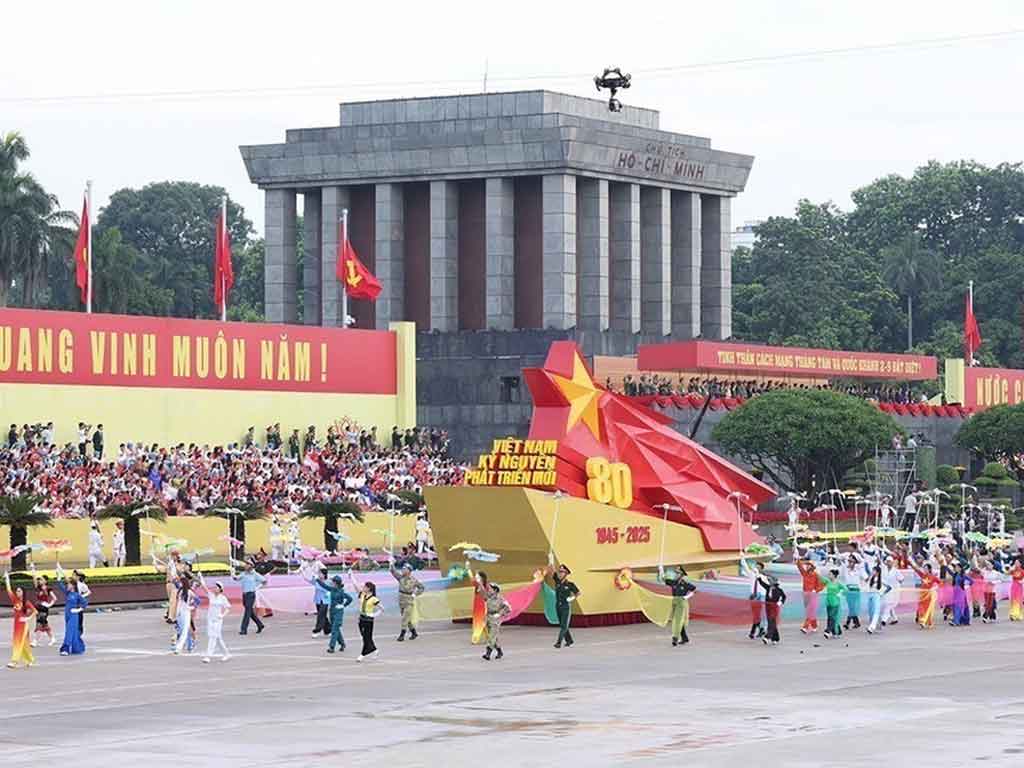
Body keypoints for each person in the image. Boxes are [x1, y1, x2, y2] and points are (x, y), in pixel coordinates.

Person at [4, 572, 37, 668]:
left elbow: (35, 611)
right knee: (24, 644)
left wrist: (28, 618)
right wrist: (7, 578)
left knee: (17, 642)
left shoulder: (26, 602)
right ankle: (30, 659)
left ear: (23, 592)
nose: (17, 592)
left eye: (19, 591)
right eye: (17, 591)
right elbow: (9, 589)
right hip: (16, 624)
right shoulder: (15, 600)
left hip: (23, 625)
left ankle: (14, 661)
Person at [197, 573, 231, 663]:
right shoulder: (211, 595)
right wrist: (200, 577)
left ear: (220, 589)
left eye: (217, 587)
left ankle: (208, 656)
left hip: (218, 620)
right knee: (217, 637)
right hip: (210, 618)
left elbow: (228, 608)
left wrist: (222, 615)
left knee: (213, 637)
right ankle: (226, 653)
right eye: (214, 586)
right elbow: (204, 587)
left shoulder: (223, 598)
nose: (215, 588)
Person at [315, 574, 354, 654]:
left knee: (334, 630)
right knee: (336, 629)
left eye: (332, 581)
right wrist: (317, 580)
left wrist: (343, 605)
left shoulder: (341, 592)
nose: (331, 582)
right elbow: (324, 586)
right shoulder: (332, 589)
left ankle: (331, 647)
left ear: (336, 583)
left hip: (338, 612)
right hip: (332, 612)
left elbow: (350, 599)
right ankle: (342, 644)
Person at [349, 571, 383, 661]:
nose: (363, 588)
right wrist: (351, 577)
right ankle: (374, 649)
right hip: (361, 618)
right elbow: (356, 586)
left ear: (369, 589)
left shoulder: (374, 599)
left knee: (367, 637)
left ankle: (362, 654)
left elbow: (382, 609)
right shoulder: (362, 595)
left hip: (369, 620)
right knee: (365, 637)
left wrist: (373, 614)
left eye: (365, 587)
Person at [660, 565, 697, 646]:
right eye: (676, 573)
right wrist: (661, 570)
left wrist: (687, 597)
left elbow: (695, 590)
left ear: (682, 575)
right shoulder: (674, 582)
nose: (676, 575)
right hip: (674, 602)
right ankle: (685, 638)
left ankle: (675, 638)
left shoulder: (685, 584)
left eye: (678, 574)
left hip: (681, 602)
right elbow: (663, 579)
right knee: (677, 620)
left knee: (677, 621)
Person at [54, 566, 87, 656]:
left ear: (72, 585)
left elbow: (84, 603)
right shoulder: (68, 593)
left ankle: (65, 648)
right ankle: (77, 647)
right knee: (73, 631)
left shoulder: (77, 595)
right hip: (67, 614)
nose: (67, 586)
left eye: (68, 585)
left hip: (74, 615)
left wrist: (78, 610)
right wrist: (58, 576)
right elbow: (61, 586)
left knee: (69, 631)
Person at [547, 563, 579, 648]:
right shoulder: (557, 581)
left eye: (562, 572)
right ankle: (570, 640)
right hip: (558, 606)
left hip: (565, 607)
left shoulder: (570, 584)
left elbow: (578, 593)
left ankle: (558, 642)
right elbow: (552, 571)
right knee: (562, 625)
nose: (560, 573)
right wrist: (551, 560)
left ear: (566, 574)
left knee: (564, 626)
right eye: (559, 572)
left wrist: (571, 598)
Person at [390, 562, 425, 641]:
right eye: (402, 569)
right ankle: (414, 632)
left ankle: (402, 634)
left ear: (409, 570)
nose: (402, 570)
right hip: (401, 599)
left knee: (404, 618)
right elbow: (393, 572)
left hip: (409, 600)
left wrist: (415, 594)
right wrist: (391, 564)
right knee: (406, 618)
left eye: (404, 569)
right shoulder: (401, 577)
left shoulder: (414, 580)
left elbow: (422, 587)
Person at [233, 561, 267, 635]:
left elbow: (264, 581)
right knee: (250, 612)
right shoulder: (244, 573)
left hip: (251, 594)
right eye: (246, 564)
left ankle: (243, 629)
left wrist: (257, 586)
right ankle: (260, 624)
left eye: (247, 564)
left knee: (247, 612)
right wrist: (233, 573)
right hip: (244, 595)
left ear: (251, 566)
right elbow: (236, 578)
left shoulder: (255, 574)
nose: (245, 565)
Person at [481, 583, 511, 660]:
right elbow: (482, 592)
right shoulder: (488, 597)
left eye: (491, 589)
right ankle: (500, 651)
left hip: (496, 619)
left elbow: (508, 608)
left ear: (495, 590)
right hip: (488, 618)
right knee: (494, 637)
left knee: (492, 636)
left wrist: (499, 614)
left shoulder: (501, 599)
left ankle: (488, 653)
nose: (489, 590)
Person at [304, 563, 332, 639]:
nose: (319, 574)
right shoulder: (317, 581)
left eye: (320, 573)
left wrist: (317, 581)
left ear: (324, 574)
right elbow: (308, 580)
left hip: (325, 601)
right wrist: (303, 572)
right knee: (323, 616)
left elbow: (324, 589)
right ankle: (328, 630)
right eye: (318, 573)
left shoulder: (328, 582)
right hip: (318, 600)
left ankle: (317, 631)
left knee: (320, 616)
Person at [796, 552, 823, 634]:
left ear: (812, 567)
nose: (806, 566)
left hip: (813, 595)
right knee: (810, 611)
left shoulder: (816, 575)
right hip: (805, 594)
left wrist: (816, 590)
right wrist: (797, 557)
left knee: (810, 611)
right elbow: (799, 566)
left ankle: (805, 627)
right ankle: (814, 625)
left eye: (808, 565)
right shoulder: (805, 573)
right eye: (806, 565)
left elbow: (822, 585)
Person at [910, 561, 941, 629]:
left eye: (926, 569)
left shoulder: (933, 577)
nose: (925, 570)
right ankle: (922, 621)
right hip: (922, 594)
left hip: (928, 595)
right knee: (921, 608)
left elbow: (940, 583)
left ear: (929, 569)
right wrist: (911, 563)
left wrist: (934, 588)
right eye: (924, 569)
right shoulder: (923, 575)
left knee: (928, 609)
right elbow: (917, 570)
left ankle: (929, 622)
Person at [757, 574, 786, 645]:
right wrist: (759, 578)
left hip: (774, 607)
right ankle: (775, 638)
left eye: (771, 581)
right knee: (772, 623)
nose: (769, 582)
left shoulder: (779, 590)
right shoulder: (768, 587)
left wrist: (781, 602)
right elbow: (762, 583)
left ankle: (767, 637)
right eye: (769, 581)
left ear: (775, 582)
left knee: (771, 622)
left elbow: (784, 597)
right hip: (768, 607)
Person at [32, 572, 56, 648]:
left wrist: (49, 604)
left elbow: (55, 598)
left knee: (39, 623)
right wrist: (33, 569)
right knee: (44, 624)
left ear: (45, 581)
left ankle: (35, 641)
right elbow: (34, 579)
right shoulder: (38, 587)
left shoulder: (48, 589)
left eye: (42, 580)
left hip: (44, 608)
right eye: (40, 580)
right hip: (38, 607)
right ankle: (52, 638)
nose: (40, 581)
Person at [822, 568, 847, 639]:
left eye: (830, 574)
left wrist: (840, 593)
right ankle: (837, 631)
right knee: (830, 617)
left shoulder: (838, 583)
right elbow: (820, 578)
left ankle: (828, 631)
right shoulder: (828, 582)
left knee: (832, 617)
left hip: (835, 602)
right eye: (828, 574)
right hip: (828, 602)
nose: (828, 575)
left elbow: (845, 589)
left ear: (834, 575)